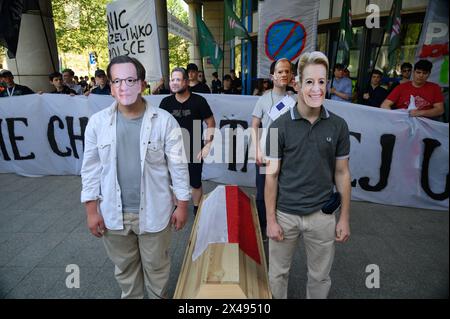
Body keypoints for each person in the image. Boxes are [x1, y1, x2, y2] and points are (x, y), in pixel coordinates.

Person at [80, 55, 190, 299]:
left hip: (156, 211)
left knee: (157, 268)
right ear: (110, 87)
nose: (123, 86)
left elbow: (179, 167)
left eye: (130, 80)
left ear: (142, 84)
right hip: (113, 214)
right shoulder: (97, 124)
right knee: (125, 271)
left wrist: (182, 206)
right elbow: (90, 169)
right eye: (117, 81)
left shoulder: (164, 122)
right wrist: (91, 210)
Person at [265, 51, 351, 299]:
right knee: (278, 274)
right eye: (310, 82)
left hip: (322, 216)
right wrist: (270, 220)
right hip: (285, 215)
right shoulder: (277, 126)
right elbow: (271, 176)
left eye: (322, 82)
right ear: (297, 83)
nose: (316, 89)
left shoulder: (339, 126)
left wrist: (344, 217)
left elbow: (342, 173)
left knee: (320, 277)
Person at [159, 67, 215, 216]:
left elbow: (211, 122)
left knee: (195, 182)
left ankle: (198, 209)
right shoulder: (165, 102)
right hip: (171, 149)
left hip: (194, 148)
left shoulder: (199, 101)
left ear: (186, 81)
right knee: (172, 179)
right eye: (172, 80)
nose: (174, 83)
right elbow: (159, 126)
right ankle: (177, 207)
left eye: (178, 79)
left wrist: (208, 144)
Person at [251, 58, 296, 240]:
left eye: (287, 71)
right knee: (263, 193)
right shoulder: (263, 99)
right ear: (272, 76)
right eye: (280, 72)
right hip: (266, 152)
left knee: (284, 190)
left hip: (288, 153)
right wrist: (257, 150)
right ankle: (263, 227)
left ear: (292, 75)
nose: (284, 74)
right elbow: (254, 125)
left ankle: (280, 224)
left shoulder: (295, 100)